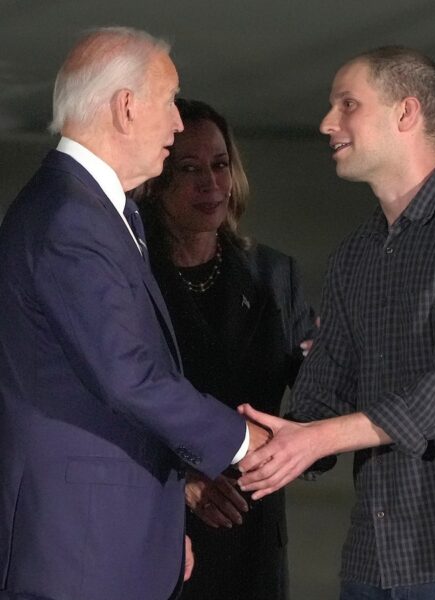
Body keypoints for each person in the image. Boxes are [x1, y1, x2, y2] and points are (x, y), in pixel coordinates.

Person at [238, 46, 435, 599]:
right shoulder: (355, 255)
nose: (327, 123)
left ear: (406, 114)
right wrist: (246, 443)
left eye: (347, 104)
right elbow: (320, 400)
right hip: (375, 561)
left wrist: (311, 440)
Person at [0, 27, 270, 600]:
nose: (177, 124)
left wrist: (159, 520)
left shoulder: (98, 209)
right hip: (79, 549)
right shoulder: (69, 219)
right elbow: (130, 376)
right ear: (126, 107)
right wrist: (249, 441)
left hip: (105, 535)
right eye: (169, 102)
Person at [136, 98, 316, 600]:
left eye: (219, 165)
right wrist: (181, 482)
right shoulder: (131, 275)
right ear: (155, 180)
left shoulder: (273, 273)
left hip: (253, 530)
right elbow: (114, 402)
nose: (210, 183)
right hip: (162, 531)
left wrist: (294, 441)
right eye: (188, 169)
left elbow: (319, 395)